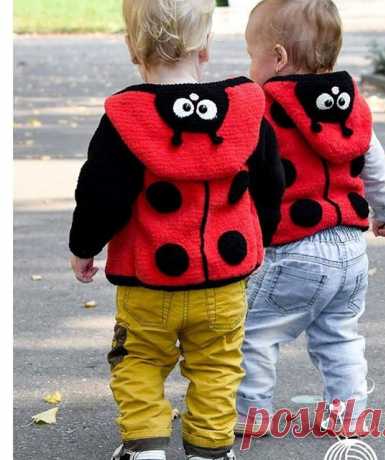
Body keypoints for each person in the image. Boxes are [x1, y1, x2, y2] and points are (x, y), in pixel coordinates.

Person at [68, 1, 285, 458]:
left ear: (132, 48)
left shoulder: (127, 117)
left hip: (149, 281)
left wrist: (84, 246)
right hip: (225, 280)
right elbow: (271, 181)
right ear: (205, 47)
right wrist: (260, 235)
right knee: (218, 364)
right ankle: (210, 448)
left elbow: (101, 193)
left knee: (140, 359)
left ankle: (145, 444)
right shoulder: (246, 110)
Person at [236, 0, 385, 437]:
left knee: (255, 332)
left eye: (252, 56)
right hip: (350, 248)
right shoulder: (351, 108)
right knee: (340, 334)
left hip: (290, 247)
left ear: (277, 57)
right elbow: (377, 168)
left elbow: (244, 172)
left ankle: (247, 416)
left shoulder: (262, 108)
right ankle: (348, 416)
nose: (249, 66)